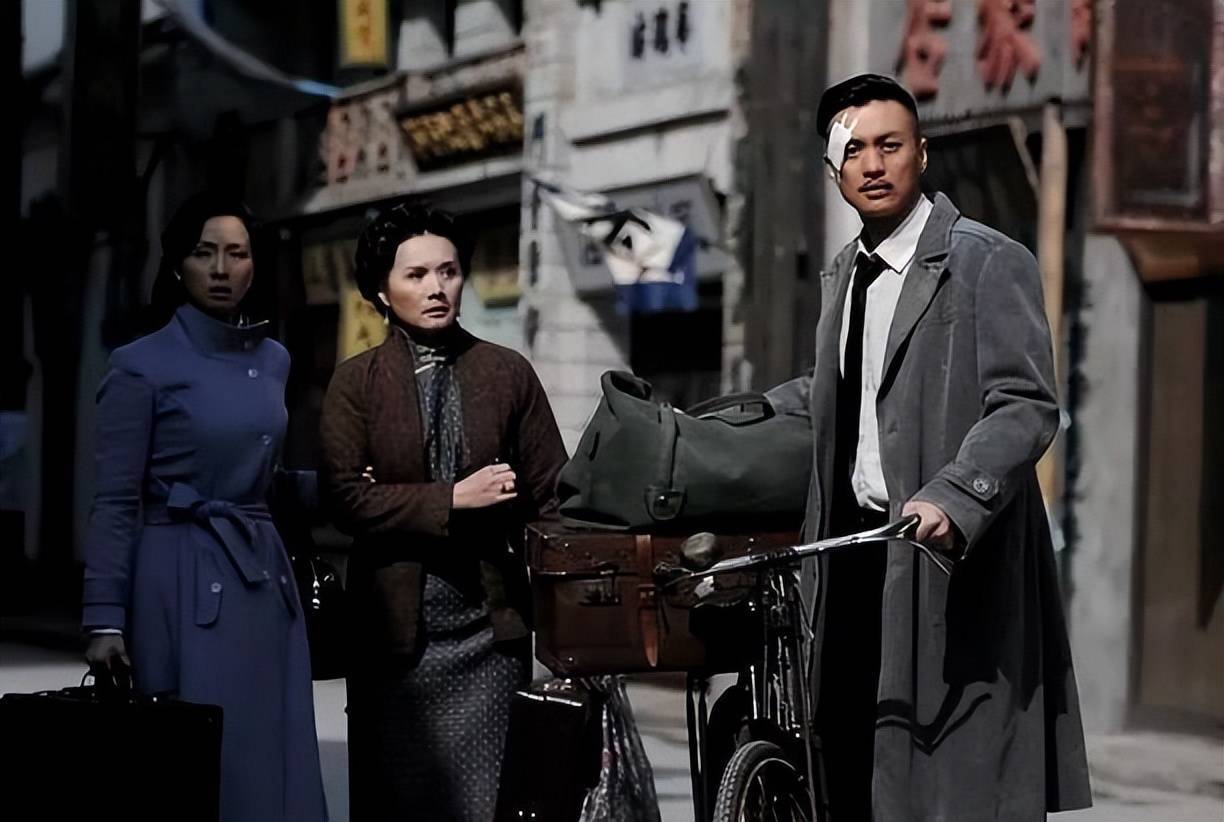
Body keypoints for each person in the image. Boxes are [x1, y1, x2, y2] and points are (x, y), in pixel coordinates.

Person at [766, 74, 1092, 820]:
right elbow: (838, 391)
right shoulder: (845, 274)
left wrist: (955, 493)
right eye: (854, 151)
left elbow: (1025, 402)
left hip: (949, 559)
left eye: (890, 145)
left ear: (922, 153)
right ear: (833, 169)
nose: (873, 164)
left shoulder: (985, 260)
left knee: (952, 776)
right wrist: (731, 419)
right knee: (850, 761)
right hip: (853, 557)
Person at [82, 191, 328, 822]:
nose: (221, 269)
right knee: (196, 764)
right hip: (178, 577)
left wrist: (340, 486)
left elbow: (263, 481)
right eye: (204, 253)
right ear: (176, 265)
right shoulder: (140, 365)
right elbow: (114, 501)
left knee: (269, 756)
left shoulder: (273, 360)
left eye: (237, 254)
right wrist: (104, 619)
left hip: (262, 576)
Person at [320, 204, 567, 821]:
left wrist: (569, 620)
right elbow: (345, 498)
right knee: (397, 802)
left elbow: (552, 497)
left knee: (491, 803)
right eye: (416, 274)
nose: (436, 288)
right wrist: (453, 497)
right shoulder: (356, 383)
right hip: (393, 635)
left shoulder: (507, 373)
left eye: (448, 271)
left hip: (489, 629)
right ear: (382, 291)